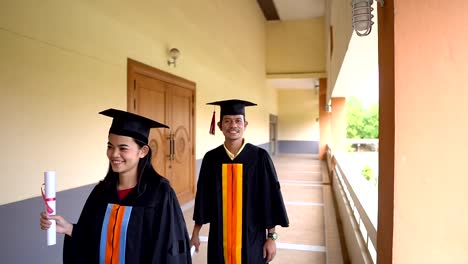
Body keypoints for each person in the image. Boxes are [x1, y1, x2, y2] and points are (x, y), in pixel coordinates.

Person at [40, 108, 192, 264]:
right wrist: (69, 228)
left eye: (123, 148)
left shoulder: (159, 193)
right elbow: (93, 237)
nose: (114, 154)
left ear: (143, 151)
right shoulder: (102, 192)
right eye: (110, 146)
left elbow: (169, 249)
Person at [190, 99, 289, 263]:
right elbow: (203, 198)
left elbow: (270, 198)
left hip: (252, 236)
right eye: (227, 121)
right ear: (220, 125)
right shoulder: (211, 158)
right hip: (219, 236)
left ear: (245, 124)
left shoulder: (260, 157)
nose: (233, 126)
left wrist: (271, 237)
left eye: (238, 121)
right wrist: (195, 233)